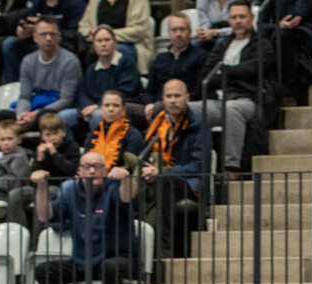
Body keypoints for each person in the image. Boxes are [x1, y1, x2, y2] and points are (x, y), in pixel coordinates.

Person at [33, 150, 138, 284]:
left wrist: (125, 179)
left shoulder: (113, 186)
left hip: (117, 257)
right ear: (79, 171)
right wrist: (41, 186)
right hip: (83, 261)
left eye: (97, 166)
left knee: (111, 267)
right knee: (44, 271)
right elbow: (44, 216)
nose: (92, 171)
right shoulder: (70, 190)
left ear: (106, 170)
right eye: (87, 167)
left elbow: (126, 199)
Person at [190, 0, 274, 175]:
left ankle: (231, 167)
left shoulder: (262, 44)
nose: (238, 21)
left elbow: (254, 70)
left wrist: (225, 71)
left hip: (247, 100)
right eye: (234, 17)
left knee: (232, 109)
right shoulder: (222, 45)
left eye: (242, 17)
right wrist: (234, 74)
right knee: (184, 109)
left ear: (251, 18)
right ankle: (186, 164)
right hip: (218, 101)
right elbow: (207, 75)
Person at [141, 79, 203, 257]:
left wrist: (163, 172)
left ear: (187, 98)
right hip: (159, 175)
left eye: (177, 96)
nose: (173, 100)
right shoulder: (158, 122)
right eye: (169, 96)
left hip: (188, 183)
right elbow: (145, 153)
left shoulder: (198, 125)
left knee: (164, 181)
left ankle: (164, 247)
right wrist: (146, 170)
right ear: (163, 99)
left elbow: (199, 165)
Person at [64, 25, 141, 133]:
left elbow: (125, 91)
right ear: (94, 45)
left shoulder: (126, 63)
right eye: (99, 41)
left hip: (119, 107)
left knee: (98, 115)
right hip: (92, 108)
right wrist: (87, 106)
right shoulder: (92, 68)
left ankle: (98, 144)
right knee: (63, 116)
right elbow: (82, 91)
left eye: (107, 40)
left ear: (115, 42)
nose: (103, 44)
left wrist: (98, 106)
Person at [12, 16, 82, 133]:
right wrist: (22, 115)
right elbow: (24, 96)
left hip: (56, 110)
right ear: (35, 37)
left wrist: (35, 114)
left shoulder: (70, 61)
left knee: (44, 117)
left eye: (52, 34)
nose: (48, 38)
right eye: (44, 34)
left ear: (59, 37)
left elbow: (66, 100)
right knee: (3, 117)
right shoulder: (28, 61)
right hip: (34, 108)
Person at [0, 0, 87, 85]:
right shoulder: (37, 4)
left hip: (64, 47)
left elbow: (76, 37)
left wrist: (46, 29)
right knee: (9, 43)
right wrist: (25, 32)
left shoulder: (76, 4)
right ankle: (14, 87)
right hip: (38, 46)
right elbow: (33, 30)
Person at [256, 0, 312, 107]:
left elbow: (292, 18)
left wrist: (278, 26)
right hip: (278, 33)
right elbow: (260, 24)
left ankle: (289, 88)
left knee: (281, 36)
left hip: (304, 36)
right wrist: (277, 26)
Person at [143, 12, 205, 121]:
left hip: (185, 105)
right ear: (169, 33)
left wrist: (172, 101)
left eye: (182, 29)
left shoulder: (201, 56)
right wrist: (148, 104)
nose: (178, 34)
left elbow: (199, 91)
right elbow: (150, 90)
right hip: (156, 105)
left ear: (190, 32)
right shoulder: (160, 58)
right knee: (124, 111)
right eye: (174, 30)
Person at [77, 0, 153, 73]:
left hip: (129, 44)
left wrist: (105, 35)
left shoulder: (139, 1)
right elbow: (83, 27)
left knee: (115, 52)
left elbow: (139, 30)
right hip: (95, 43)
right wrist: (94, 35)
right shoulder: (94, 1)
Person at [83, 89, 143, 168]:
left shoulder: (133, 135)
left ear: (123, 110)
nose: (111, 109)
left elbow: (133, 166)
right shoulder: (93, 136)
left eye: (116, 105)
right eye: (107, 105)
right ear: (101, 109)